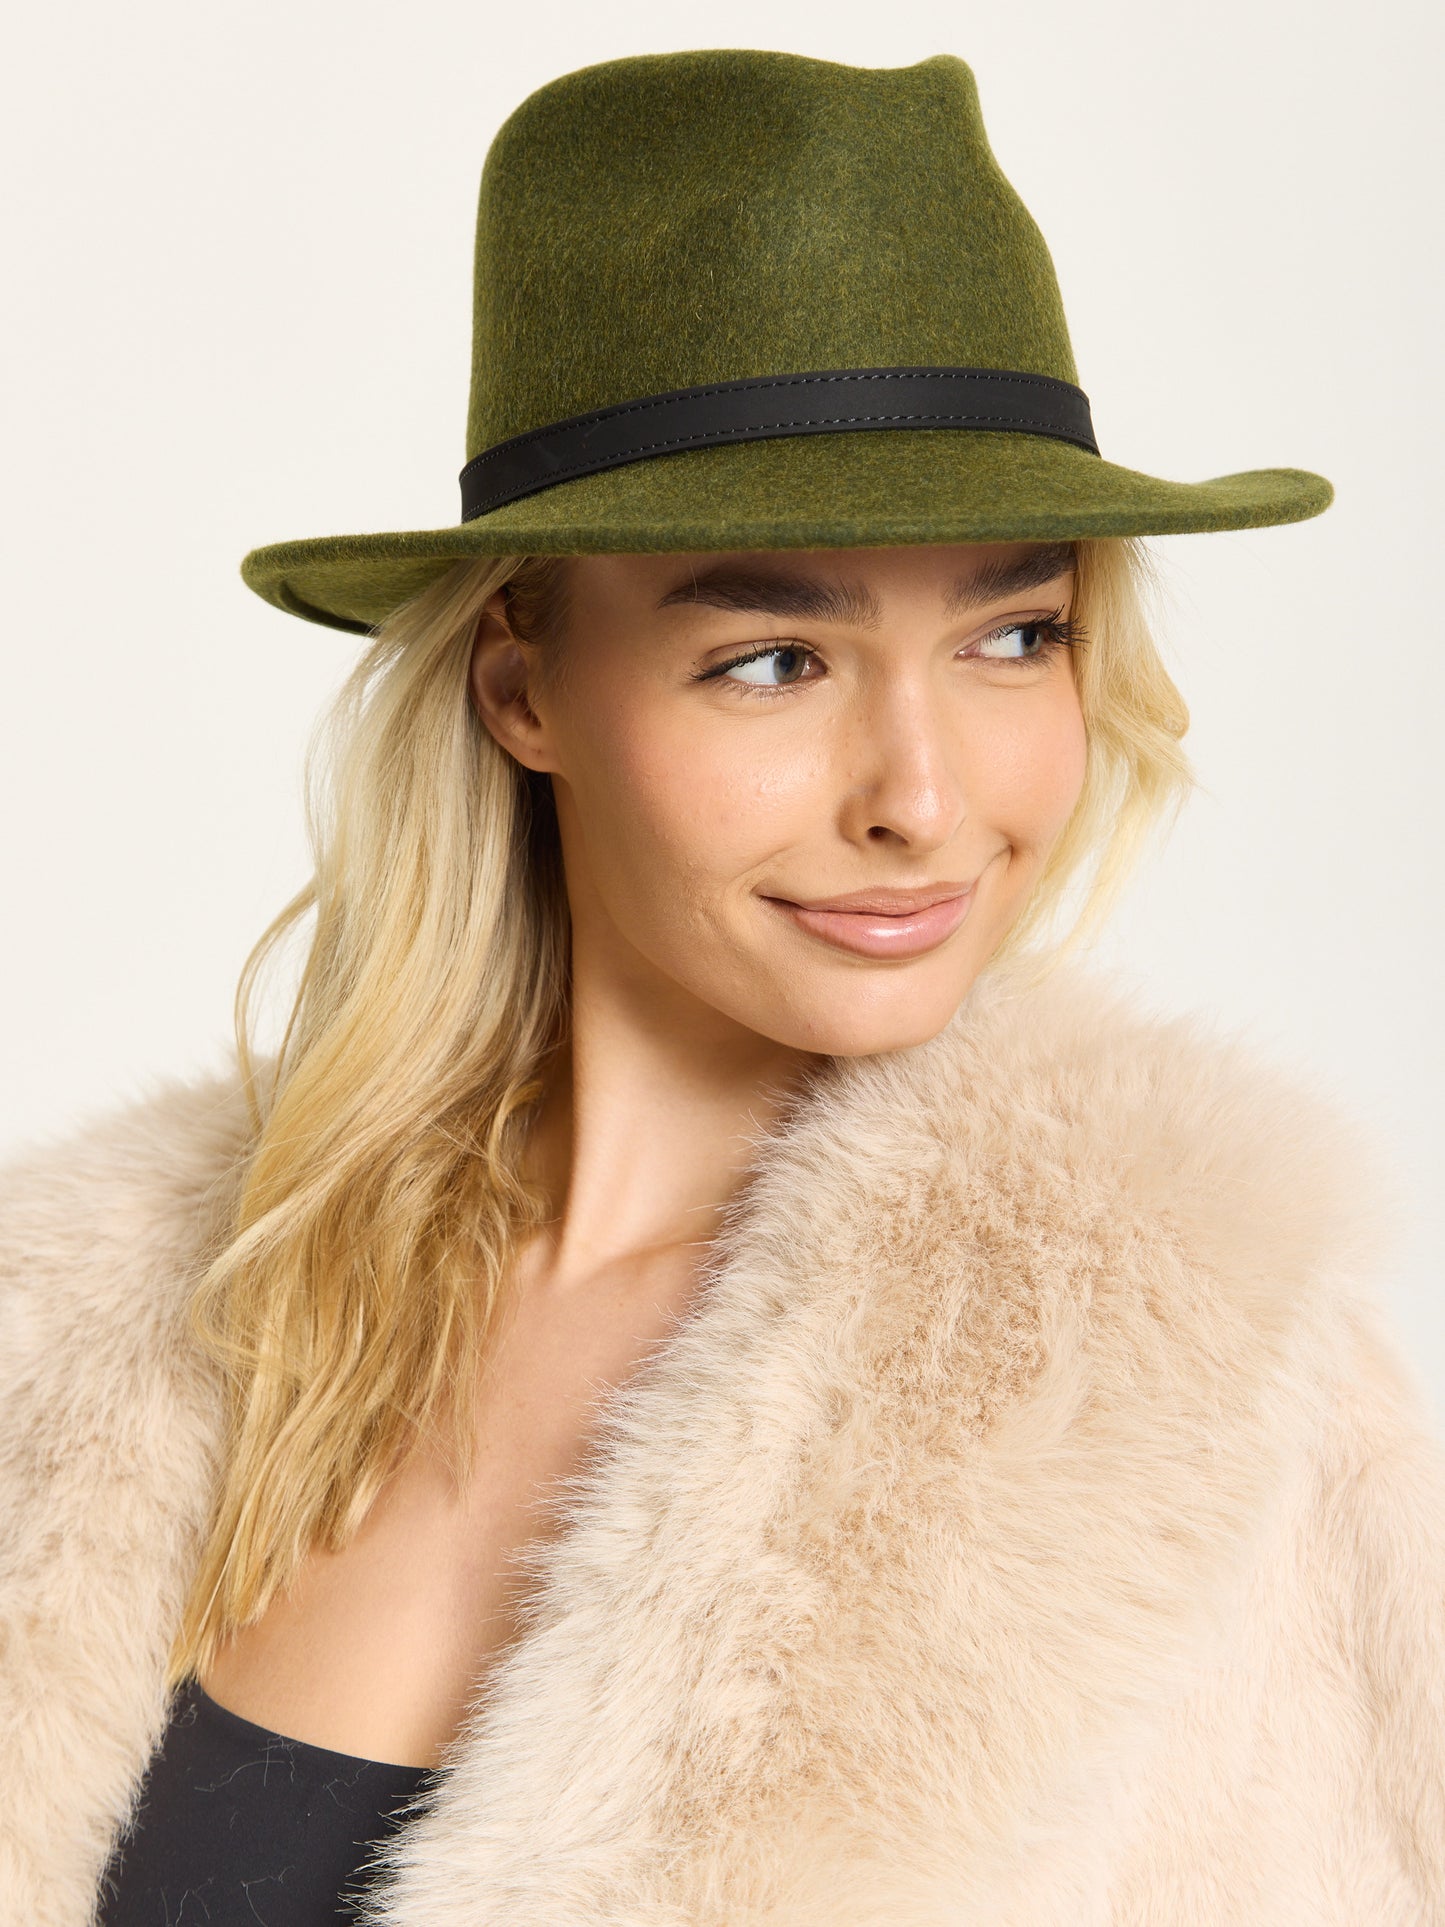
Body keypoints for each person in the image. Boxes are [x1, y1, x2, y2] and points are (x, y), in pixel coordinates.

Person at [1, 46, 1441, 1927]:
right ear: (521, 685)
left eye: (1017, 635)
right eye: (773, 659)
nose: (922, 799)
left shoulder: (1200, 1399)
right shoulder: (113, 1326)